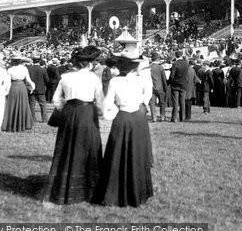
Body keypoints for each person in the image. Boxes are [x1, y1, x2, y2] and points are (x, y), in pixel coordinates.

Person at [42, 46, 104, 205]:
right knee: (88, 146)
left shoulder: (65, 77)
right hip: (87, 113)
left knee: (67, 147)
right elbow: (99, 101)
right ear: (89, 64)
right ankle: (88, 187)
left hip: (70, 112)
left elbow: (56, 100)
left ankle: (63, 183)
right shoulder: (93, 78)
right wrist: (99, 112)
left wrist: (67, 110)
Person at [94, 52, 154, 207]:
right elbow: (147, 96)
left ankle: (114, 191)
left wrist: (114, 113)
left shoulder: (115, 81)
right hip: (138, 118)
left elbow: (108, 103)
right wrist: (141, 103)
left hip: (122, 117)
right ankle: (139, 192)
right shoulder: (142, 80)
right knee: (138, 153)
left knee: (117, 153)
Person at [1, 55, 35, 132]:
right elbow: (28, 80)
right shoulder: (24, 69)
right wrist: (32, 87)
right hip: (22, 87)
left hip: (14, 87)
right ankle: (23, 124)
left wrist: (5, 91)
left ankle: (11, 124)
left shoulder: (10, 69)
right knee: (23, 105)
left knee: (12, 105)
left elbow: (7, 82)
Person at [168, 50, 189, 122]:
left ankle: (174, 118)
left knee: (175, 102)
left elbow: (172, 76)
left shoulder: (175, 64)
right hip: (183, 84)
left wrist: (169, 82)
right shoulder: (186, 63)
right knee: (182, 101)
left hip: (175, 84)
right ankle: (182, 117)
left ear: (176, 55)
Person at [28, 58, 49, 123]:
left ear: (33, 61)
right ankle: (44, 119)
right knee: (43, 105)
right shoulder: (42, 69)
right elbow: (47, 80)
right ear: (39, 62)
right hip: (41, 89)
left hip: (32, 89)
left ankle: (32, 118)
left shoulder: (29, 69)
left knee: (32, 104)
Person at [150, 53, 168, 121]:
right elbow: (164, 79)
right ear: (157, 59)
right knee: (162, 103)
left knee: (152, 103)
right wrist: (165, 88)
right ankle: (162, 116)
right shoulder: (160, 67)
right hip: (160, 87)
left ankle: (154, 117)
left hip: (151, 87)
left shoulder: (149, 67)